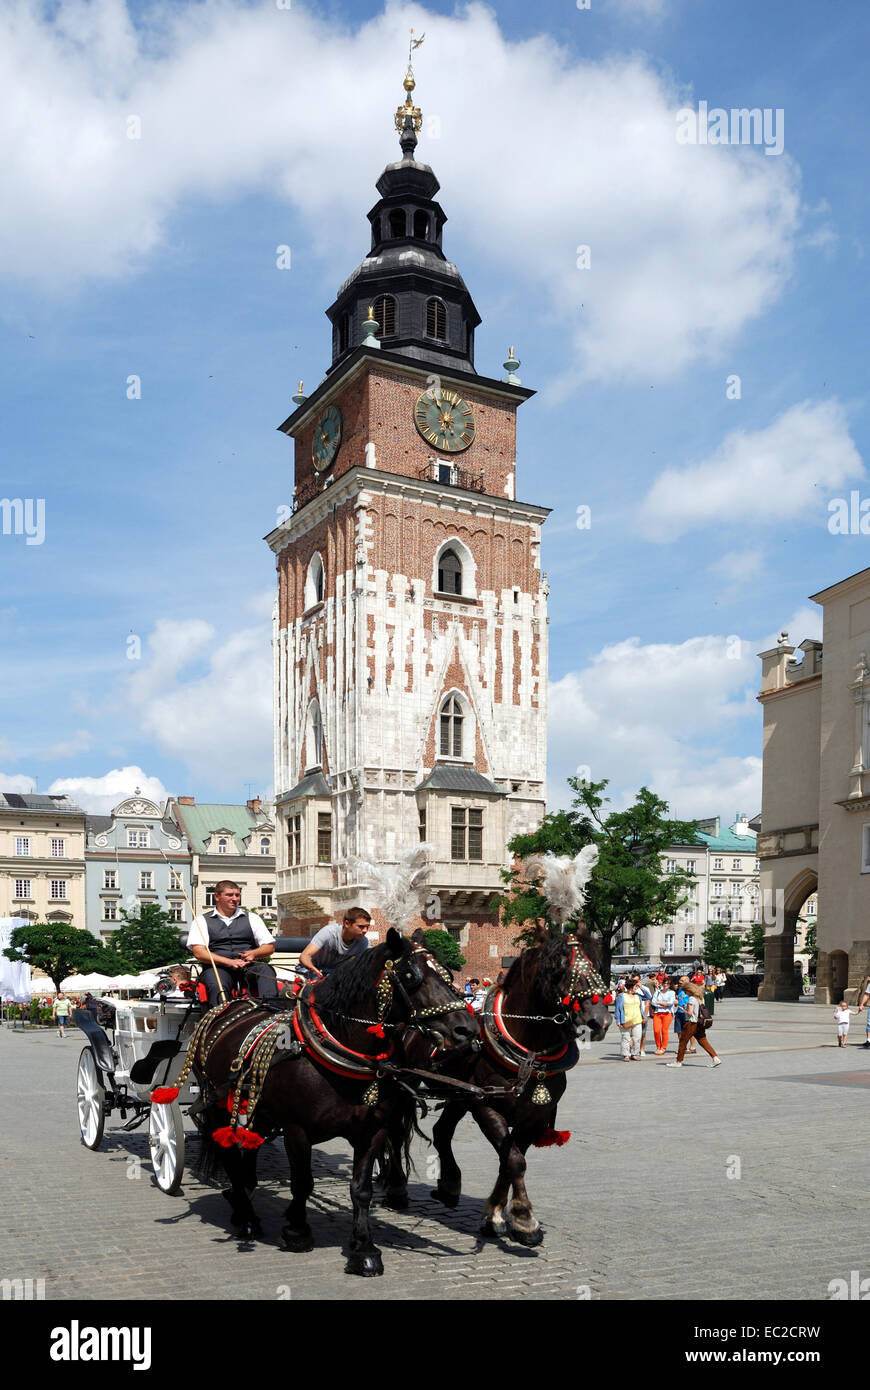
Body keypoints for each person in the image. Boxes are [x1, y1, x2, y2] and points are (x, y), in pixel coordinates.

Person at [188, 880, 278, 1007]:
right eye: (229, 895)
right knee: (216, 984)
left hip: (248, 967)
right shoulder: (201, 921)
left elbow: (269, 947)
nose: (235, 899)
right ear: (217, 896)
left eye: (237, 895)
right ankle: (219, 1017)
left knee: (267, 971)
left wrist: (254, 953)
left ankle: (269, 1010)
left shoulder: (253, 918)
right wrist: (229, 962)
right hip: (217, 968)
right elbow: (199, 953)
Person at [297, 908, 372, 979]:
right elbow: (304, 956)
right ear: (347, 924)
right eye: (361, 927)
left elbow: (366, 965)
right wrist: (314, 971)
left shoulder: (364, 942)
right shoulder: (329, 932)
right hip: (309, 970)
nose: (365, 930)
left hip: (334, 975)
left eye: (367, 927)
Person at [667, 976, 720, 1068]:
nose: (685, 993)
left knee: (683, 1041)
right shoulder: (699, 998)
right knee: (703, 1040)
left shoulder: (691, 999)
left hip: (691, 1023)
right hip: (700, 1023)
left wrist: (682, 1009)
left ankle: (678, 1061)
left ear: (689, 990)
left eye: (685, 991)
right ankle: (715, 1058)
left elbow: (690, 1013)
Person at [614, 975, 645, 1060]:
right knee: (626, 1038)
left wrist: (642, 987)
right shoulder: (621, 996)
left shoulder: (638, 995)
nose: (637, 988)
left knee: (637, 1038)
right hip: (626, 1020)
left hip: (637, 1019)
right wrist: (618, 1020)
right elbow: (618, 1009)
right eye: (635, 986)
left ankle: (635, 1053)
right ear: (631, 987)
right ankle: (626, 1054)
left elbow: (648, 997)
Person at [651, 978, 676, 1054]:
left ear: (670, 985)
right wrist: (663, 1004)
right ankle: (658, 1046)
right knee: (656, 1030)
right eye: (664, 983)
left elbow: (671, 1003)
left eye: (667, 983)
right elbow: (653, 1002)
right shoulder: (657, 992)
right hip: (657, 1012)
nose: (665, 985)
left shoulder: (672, 992)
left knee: (664, 1030)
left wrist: (660, 1003)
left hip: (667, 1013)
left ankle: (663, 1047)